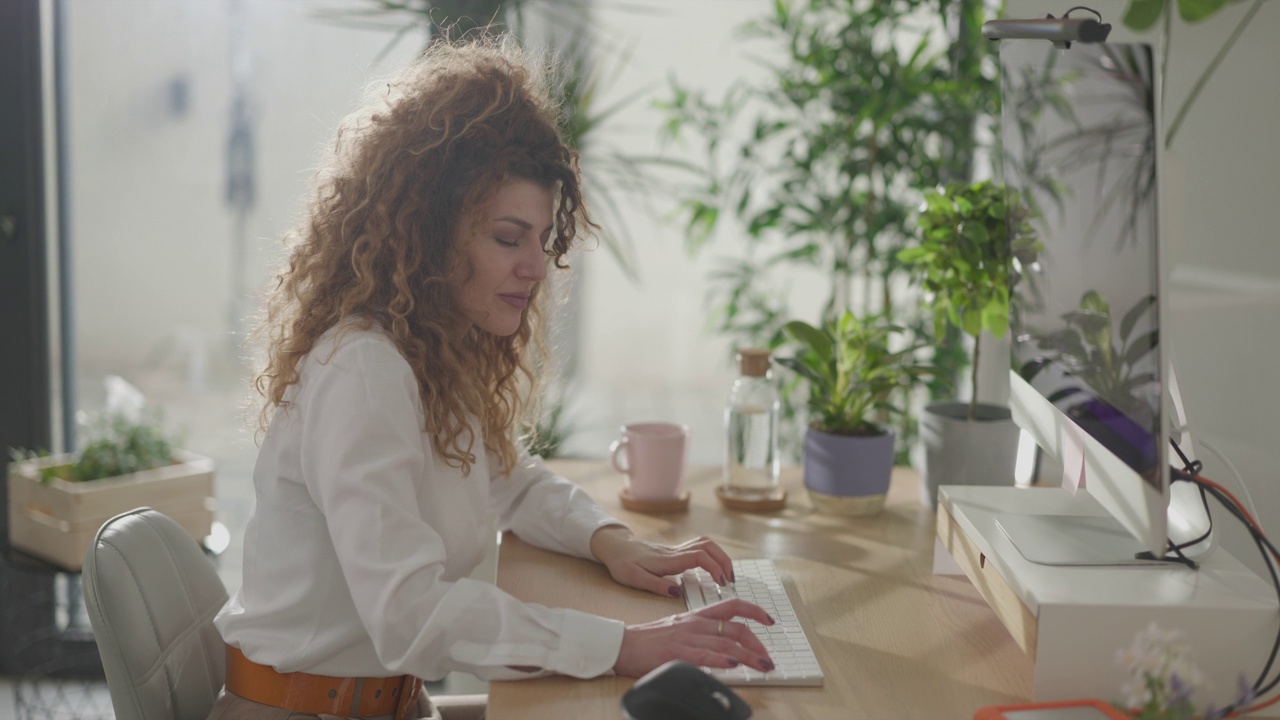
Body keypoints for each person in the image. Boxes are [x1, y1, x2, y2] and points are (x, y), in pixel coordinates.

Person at [206, 38, 775, 720]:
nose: (536, 268)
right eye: (509, 239)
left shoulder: (429, 352)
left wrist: (614, 544)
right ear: (427, 234)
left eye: (541, 240)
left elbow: (509, 477)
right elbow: (410, 614)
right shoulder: (363, 369)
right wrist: (622, 644)